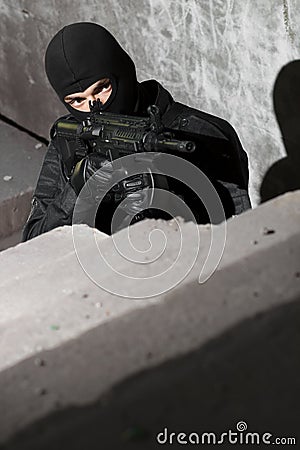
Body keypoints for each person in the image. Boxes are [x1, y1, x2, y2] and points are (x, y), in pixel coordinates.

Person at [22, 22, 251, 241]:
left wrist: (168, 191)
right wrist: (79, 188)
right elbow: (35, 240)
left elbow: (238, 231)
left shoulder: (201, 133)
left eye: (102, 88)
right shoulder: (71, 136)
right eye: (77, 100)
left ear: (123, 71)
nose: (94, 107)